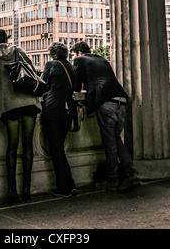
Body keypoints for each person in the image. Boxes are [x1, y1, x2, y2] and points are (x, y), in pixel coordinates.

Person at [70, 41, 140, 191]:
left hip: (105, 102)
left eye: (73, 55)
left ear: (79, 52)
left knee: (109, 142)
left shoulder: (79, 60)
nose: (73, 57)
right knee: (116, 139)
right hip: (120, 100)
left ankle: (113, 180)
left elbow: (75, 86)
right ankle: (131, 174)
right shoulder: (103, 60)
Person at [0, 29, 41, 205]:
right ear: (7, 39)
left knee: (12, 146)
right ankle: (27, 189)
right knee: (28, 143)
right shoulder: (18, 51)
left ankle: (11, 191)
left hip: (9, 106)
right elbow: (32, 70)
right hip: (28, 102)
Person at [41, 42, 77, 198]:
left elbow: (42, 85)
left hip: (53, 108)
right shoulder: (70, 66)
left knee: (56, 149)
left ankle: (64, 187)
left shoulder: (51, 65)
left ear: (53, 54)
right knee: (60, 147)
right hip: (68, 109)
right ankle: (70, 184)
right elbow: (75, 86)